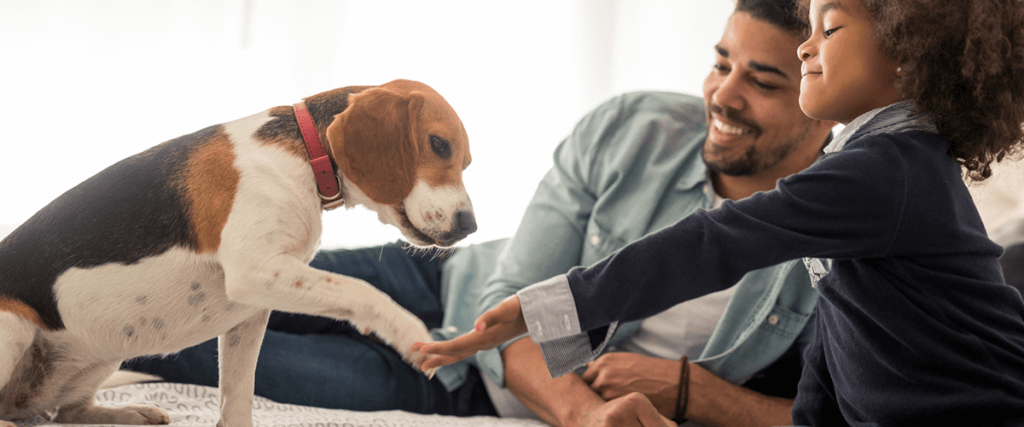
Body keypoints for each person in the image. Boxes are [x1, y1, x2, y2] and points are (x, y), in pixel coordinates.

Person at [123, 0, 836, 425]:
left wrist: (694, 393)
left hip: (464, 387)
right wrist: (586, 414)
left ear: (819, 97)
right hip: (443, 280)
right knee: (195, 279)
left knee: (164, 342)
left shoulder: (846, 227)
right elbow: (514, 297)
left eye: (763, 81)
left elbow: (841, 413)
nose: (722, 95)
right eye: (720, 63)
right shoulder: (632, 129)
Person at [418, 0, 1024, 425]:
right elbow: (837, 345)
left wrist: (548, 307)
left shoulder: (890, 169)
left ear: (906, 54)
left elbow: (714, 243)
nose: (807, 44)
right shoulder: (872, 164)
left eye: (829, 28)